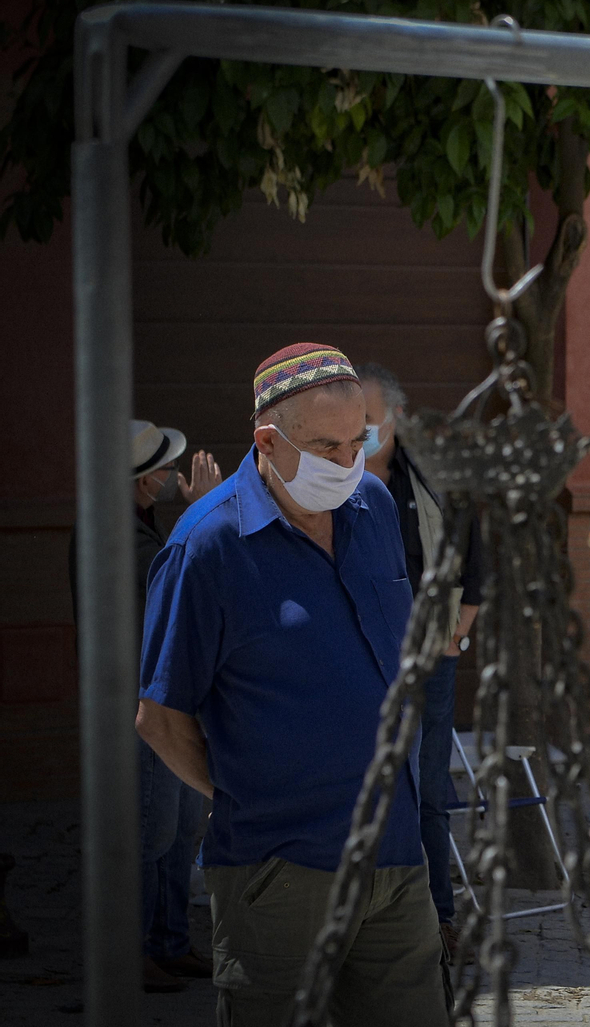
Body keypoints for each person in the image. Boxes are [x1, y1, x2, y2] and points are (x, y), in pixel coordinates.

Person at [134, 343, 448, 1027]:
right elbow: (159, 716)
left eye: (357, 441)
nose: (346, 462)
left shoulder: (371, 506)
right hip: (279, 873)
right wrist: (246, 792)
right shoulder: (205, 544)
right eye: (325, 446)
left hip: (396, 860)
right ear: (268, 442)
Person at [71, 420, 221, 993]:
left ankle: (169, 943)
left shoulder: (139, 524)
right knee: (149, 835)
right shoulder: (116, 538)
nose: (171, 475)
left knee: (180, 829)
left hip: (167, 697)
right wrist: (202, 512)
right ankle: (128, 953)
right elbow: (180, 575)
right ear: (144, 478)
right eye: (163, 467)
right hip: (141, 707)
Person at [355, 362, 482, 961]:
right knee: (364, 784)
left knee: (428, 791)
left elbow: (473, 566)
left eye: (368, 417)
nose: (358, 429)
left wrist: (456, 637)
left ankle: (438, 916)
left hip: (432, 661)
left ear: (398, 417)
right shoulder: (333, 480)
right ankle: (362, 914)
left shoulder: (435, 476)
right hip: (361, 661)